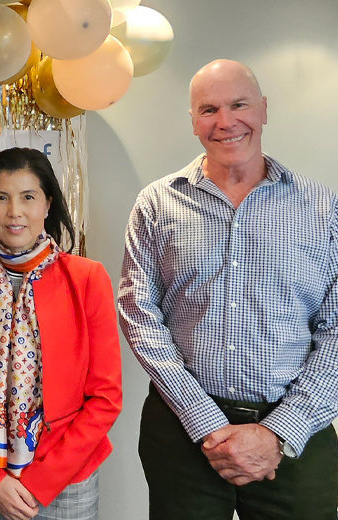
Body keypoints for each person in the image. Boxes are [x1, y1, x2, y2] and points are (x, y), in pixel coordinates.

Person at [118, 59, 338, 519]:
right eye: (208, 109)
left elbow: (335, 328)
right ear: (194, 122)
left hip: (297, 434)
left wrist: (280, 432)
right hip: (183, 429)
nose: (225, 122)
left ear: (263, 109)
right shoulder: (157, 203)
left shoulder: (322, 207)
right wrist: (205, 419)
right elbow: (139, 313)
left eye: (239, 104)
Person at [0, 147, 123, 520]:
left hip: (65, 481)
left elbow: (105, 397)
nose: (14, 212)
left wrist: (41, 483)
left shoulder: (87, 279)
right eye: (1, 197)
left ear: (47, 204)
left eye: (28, 197)